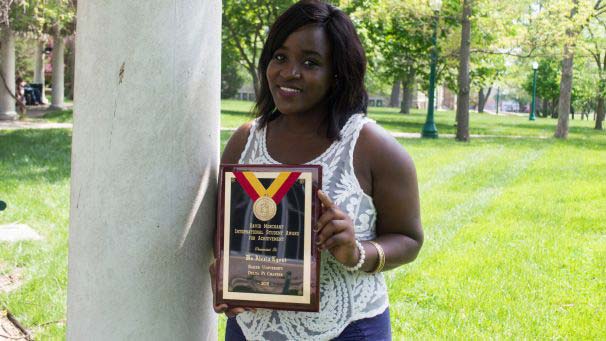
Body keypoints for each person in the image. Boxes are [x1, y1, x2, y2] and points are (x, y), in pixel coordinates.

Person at [214, 1, 423, 339]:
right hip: (250, 328)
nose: (289, 72)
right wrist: (225, 274)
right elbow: (224, 232)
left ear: (337, 73)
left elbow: (410, 240)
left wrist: (356, 252)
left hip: (346, 329)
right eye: (280, 57)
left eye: (310, 62)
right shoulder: (244, 142)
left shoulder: (373, 148)